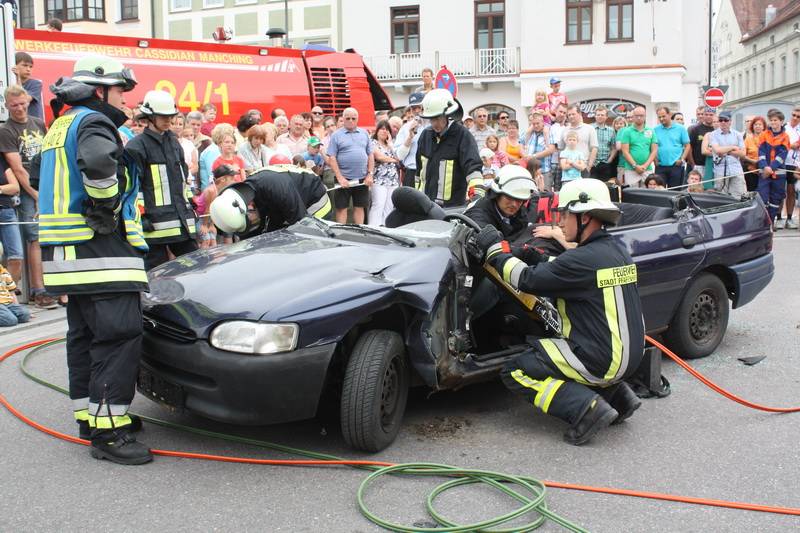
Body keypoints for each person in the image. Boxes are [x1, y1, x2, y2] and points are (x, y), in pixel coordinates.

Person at [37, 55, 151, 464]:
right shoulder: (93, 121)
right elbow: (101, 165)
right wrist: (106, 205)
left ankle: (91, 417)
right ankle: (110, 433)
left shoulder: (61, 125)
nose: (125, 99)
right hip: (98, 250)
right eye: (121, 90)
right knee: (118, 337)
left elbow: (36, 174)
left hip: (65, 253)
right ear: (99, 90)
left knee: (84, 337)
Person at [471, 178, 644, 446]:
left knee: (516, 370)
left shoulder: (582, 259)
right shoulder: (614, 251)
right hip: (630, 357)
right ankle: (620, 397)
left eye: (564, 214)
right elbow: (565, 270)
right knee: (566, 353)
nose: (560, 223)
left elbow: (527, 280)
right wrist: (532, 255)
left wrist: (495, 252)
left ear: (585, 217)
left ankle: (586, 409)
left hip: (601, 359)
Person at [126, 90, 198, 270]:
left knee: (195, 267)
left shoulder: (174, 143)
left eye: (170, 116)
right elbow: (132, 186)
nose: (168, 120)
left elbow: (182, 176)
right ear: (150, 117)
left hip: (181, 222)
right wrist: (141, 215)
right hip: (153, 226)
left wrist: (190, 202)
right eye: (163, 116)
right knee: (156, 273)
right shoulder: (136, 146)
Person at [0, 85, 56, 309]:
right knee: (35, 238)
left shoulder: (39, 123)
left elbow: (50, 154)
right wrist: (36, 195)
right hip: (26, 190)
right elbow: (18, 168)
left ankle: (55, 287)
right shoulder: (6, 130)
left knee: (52, 235)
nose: (20, 108)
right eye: (14, 105)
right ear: (7, 106)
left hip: (47, 184)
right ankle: (39, 290)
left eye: (22, 103)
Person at [210, 165, 331, 235]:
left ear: (248, 206)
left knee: (311, 237)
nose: (252, 222)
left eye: (249, 221)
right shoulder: (250, 191)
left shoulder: (278, 188)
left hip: (314, 199)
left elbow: (301, 222)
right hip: (286, 202)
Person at [416, 89, 483, 207]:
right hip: (426, 206)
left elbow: (473, 169)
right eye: (431, 119)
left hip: (453, 208)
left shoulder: (462, 136)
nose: (434, 123)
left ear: (448, 115)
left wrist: (477, 199)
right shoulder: (425, 136)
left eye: (437, 118)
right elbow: (419, 173)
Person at [464, 164, 537, 238]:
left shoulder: (520, 212)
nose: (514, 204)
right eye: (509, 197)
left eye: (519, 200)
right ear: (496, 195)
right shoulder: (479, 216)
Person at [328, 107, 373, 223]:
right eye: (347, 118)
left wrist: (370, 174)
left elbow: (370, 155)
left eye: (353, 118)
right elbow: (332, 157)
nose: (351, 121)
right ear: (343, 119)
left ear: (358, 119)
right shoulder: (336, 135)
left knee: (360, 207)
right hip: (343, 178)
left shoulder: (364, 133)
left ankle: (359, 230)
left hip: (362, 178)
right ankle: (340, 231)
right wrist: (340, 178)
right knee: (341, 208)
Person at [757, 109, 791, 229]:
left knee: (775, 200)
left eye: (775, 120)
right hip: (764, 173)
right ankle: (763, 224)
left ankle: (770, 224)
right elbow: (760, 152)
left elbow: (782, 155)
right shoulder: (764, 135)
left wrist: (770, 168)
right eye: (771, 120)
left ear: (781, 121)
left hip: (779, 174)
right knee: (763, 198)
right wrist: (765, 166)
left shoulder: (785, 137)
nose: (773, 122)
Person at [368, 120, 400, 226]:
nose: (384, 131)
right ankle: (373, 228)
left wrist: (391, 145)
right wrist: (395, 160)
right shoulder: (372, 142)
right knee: (378, 204)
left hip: (393, 180)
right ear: (377, 130)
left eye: (387, 129)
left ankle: (385, 228)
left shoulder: (391, 144)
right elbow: (380, 157)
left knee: (389, 206)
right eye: (382, 129)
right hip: (379, 180)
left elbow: (399, 156)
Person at [708, 111, 747, 197]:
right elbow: (717, 150)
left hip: (736, 170)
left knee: (739, 196)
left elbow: (743, 154)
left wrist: (725, 151)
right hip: (720, 171)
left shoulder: (738, 134)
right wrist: (733, 147)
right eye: (720, 120)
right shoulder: (713, 135)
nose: (723, 122)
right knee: (721, 198)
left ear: (730, 121)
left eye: (725, 120)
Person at [618, 106, 658, 187]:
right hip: (631, 169)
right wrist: (635, 166)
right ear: (633, 116)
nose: (639, 118)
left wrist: (645, 166)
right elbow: (625, 152)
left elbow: (654, 151)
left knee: (647, 193)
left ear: (645, 116)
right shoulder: (627, 131)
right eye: (636, 116)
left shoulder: (651, 131)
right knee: (631, 193)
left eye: (641, 115)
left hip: (647, 169)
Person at [653, 106, 690, 189]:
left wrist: (682, 159)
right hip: (660, 166)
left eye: (663, 116)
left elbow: (687, 145)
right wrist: (655, 160)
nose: (661, 119)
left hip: (676, 166)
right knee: (659, 191)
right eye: (659, 117)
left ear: (669, 114)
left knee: (675, 191)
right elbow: (652, 146)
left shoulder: (680, 128)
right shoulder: (655, 130)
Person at [394, 92, 426, 187]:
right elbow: (399, 156)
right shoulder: (405, 128)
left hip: (429, 172)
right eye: (413, 108)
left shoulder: (432, 126)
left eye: (419, 107)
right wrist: (409, 137)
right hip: (412, 172)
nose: (417, 111)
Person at [558, 104, 598, 179]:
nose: (571, 116)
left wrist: (588, 166)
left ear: (579, 114)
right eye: (569, 115)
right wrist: (562, 165)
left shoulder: (589, 129)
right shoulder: (564, 130)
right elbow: (560, 149)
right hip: (567, 171)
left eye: (573, 114)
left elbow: (594, 148)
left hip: (582, 168)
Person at [0, 243, 30, 327]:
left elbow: (12, 292)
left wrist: (17, 307)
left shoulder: (4, 272)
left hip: (8, 303)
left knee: (25, 315)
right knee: (11, 320)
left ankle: (7, 315)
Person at [523, 112, 555, 191]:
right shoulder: (529, 133)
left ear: (543, 122)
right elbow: (521, 145)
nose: (536, 126)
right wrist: (525, 154)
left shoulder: (548, 132)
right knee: (530, 193)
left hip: (544, 170)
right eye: (534, 124)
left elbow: (551, 150)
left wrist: (533, 156)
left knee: (545, 193)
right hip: (530, 171)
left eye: (538, 123)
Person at [782, 107, 800, 229]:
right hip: (782, 162)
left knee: (791, 190)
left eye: (798, 117)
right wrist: (790, 145)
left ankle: (789, 218)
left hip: (795, 163)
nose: (795, 118)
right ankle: (778, 217)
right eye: (793, 115)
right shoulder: (784, 127)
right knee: (779, 191)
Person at [13, 52, 43, 120]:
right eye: (25, 65)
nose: (28, 69)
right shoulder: (10, 83)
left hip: (32, 124)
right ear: (14, 66)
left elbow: (23, 99)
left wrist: (18, 78)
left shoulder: (36, 84)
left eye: (30, 67)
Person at [591, 106, 617, 182]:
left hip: (605, 163)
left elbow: (614, 147)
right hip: (592, 163)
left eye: (602, 115)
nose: (600, 116)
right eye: (598, 115)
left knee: (605, 186)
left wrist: (610, 159)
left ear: (606, 117)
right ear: (595, 116)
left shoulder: (611, 131)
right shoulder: (589, 128)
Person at [687, 107, 716, 175]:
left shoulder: (716, 129)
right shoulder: (695, 129)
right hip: (699, 165)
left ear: (715, 115)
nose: (708, 116)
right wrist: (693, 164)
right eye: (706, 114)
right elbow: (689, 147)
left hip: (715, 165)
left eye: (711, 115)